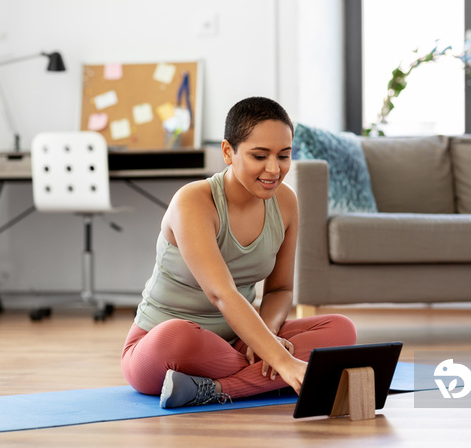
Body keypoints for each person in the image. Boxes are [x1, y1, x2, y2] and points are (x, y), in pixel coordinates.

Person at [121, 96, 357, 408]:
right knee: (177, 336)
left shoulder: (285, 202)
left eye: (284, 156)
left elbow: (282, 289)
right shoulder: (193, 201)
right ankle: (273, 377)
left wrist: (265, 337)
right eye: (260, 156)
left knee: (341, 329)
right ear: (228, 152)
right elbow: (221, 293)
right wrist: (281, 360)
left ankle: (215, 389)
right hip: (162, 347)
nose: (274, 169)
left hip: (239, 341)